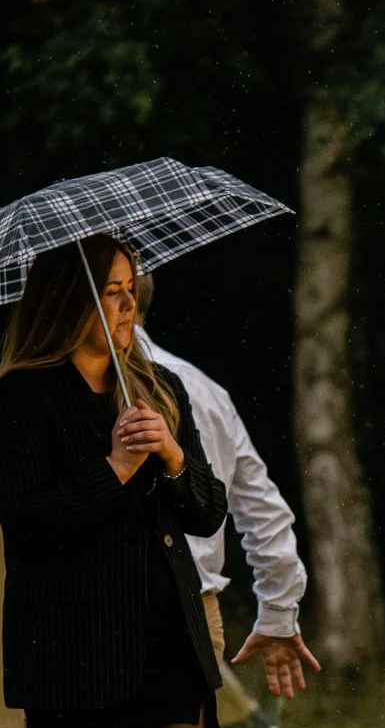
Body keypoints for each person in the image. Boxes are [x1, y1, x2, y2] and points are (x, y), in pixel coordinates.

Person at [0, 235, 229, 728]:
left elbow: (208, 513)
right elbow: (27, 522)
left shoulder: (157, 389)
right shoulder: (20, 397)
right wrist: (115, 467)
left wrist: (173, 456)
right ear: (68, 302)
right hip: (76, 655)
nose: (128, 306)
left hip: (167, 646)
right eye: (111, 292)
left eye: (130, 290)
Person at [131, 273, 318, 697]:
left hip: (125, 618)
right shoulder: (204, 388)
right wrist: (277, 611)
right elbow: (261, 507)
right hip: (192, 616)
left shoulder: (79, 391)